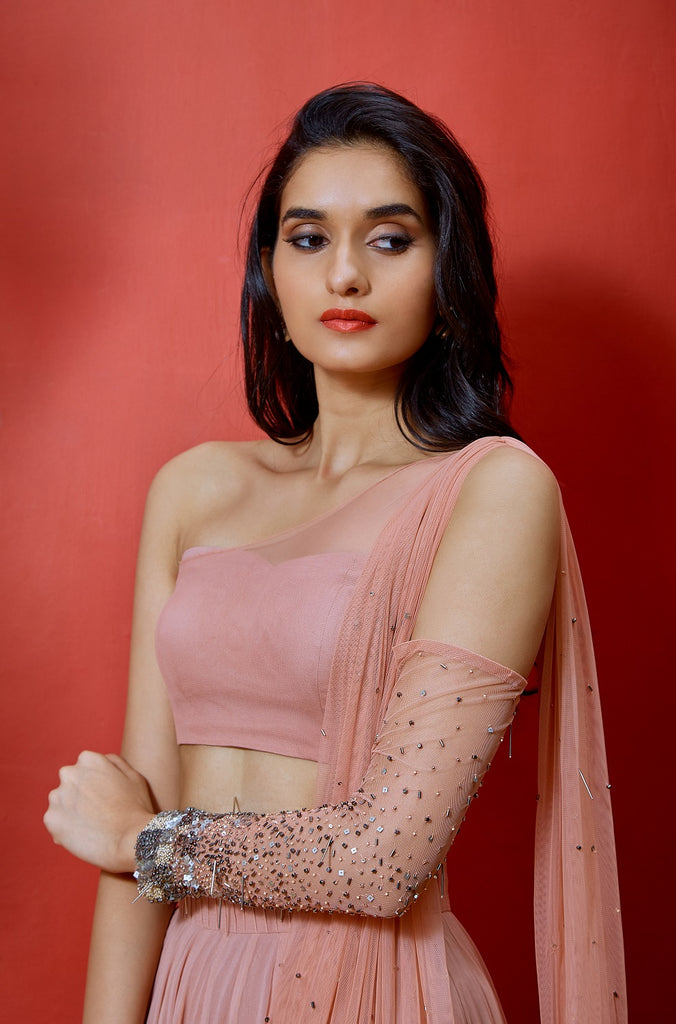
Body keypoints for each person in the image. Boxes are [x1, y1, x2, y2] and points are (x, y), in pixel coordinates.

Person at [44, 83, 626, 1023]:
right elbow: (140, 801)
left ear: (448, 279)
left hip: (375, 991)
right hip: (193, 990)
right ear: (268, 274)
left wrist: (151, 842)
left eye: (389, 240)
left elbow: (385, 858)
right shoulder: (194, 490)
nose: (344, 275)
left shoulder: (491, 490)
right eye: (308, 238)